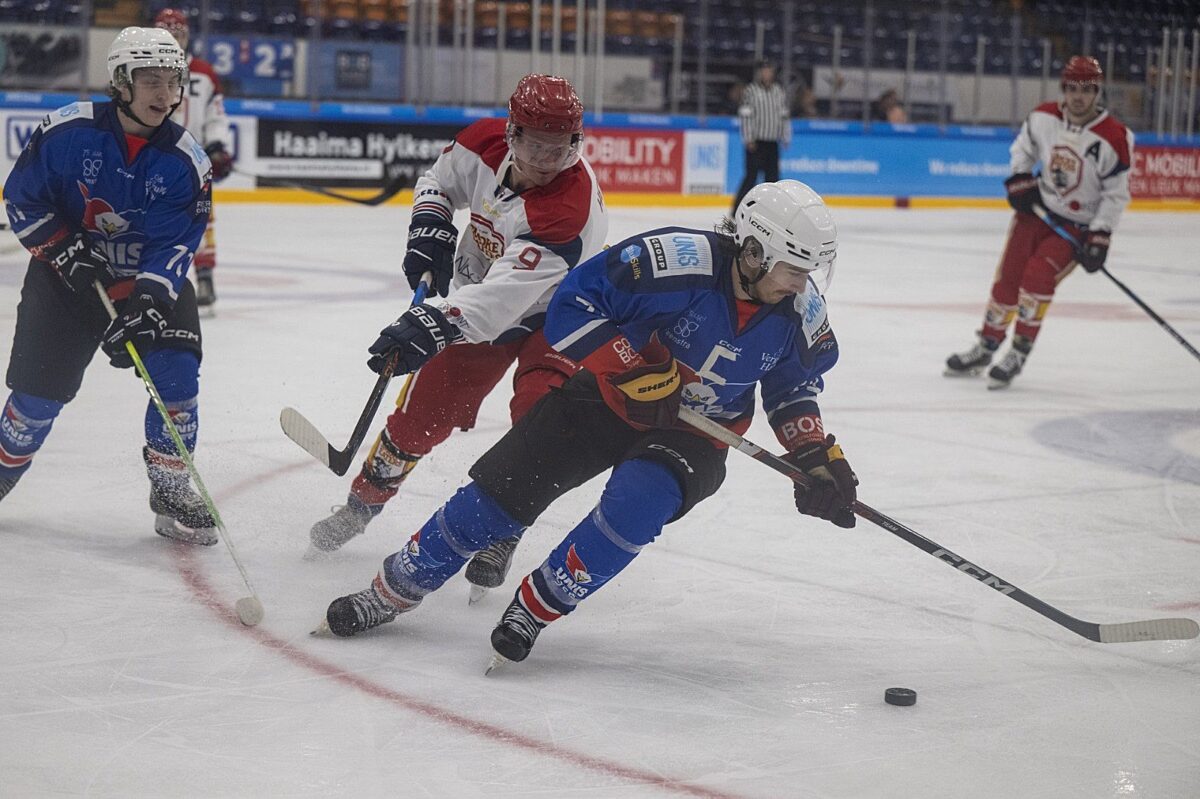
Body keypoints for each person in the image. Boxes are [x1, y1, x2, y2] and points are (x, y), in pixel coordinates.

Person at [317, 180, 859, 671]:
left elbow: (792, 388)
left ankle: (535, 608)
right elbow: (573, 303)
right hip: (605, 396)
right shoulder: (673, 260)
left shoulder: (801, 311)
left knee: (637, 506)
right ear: (755, 252)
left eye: (809, 271)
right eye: (794, 269)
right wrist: (629, 366)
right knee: (497, 497)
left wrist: (813, 453)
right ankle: (392, 590)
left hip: (695, 432)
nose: (801, 284)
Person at [306, 74, 609, 597]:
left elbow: (496, 304)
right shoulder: (481, 141)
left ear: (575, 144)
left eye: (559, 149)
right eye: (534, 145)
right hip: (483, 295)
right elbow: (439, 181)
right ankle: (360, 506)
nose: (545, 160)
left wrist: (431, 323)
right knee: (420, 418)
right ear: (512, 134)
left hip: (562, 317)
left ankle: (506, 526)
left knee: (538, 422)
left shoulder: (568, 211)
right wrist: (430, 227)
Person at [0, 27, 216, 544]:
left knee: (177, 380)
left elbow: (174, 245)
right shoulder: (67, 131)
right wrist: (61, 247)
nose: (165, 94)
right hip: (64, 280)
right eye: (150, 80)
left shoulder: (186, 161)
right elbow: (22, 197)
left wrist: (147, 302)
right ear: (120, 81)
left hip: (143, 281)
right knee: (36, 399)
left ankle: (170, 488)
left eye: (173, 81)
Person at [945, 55, 1133, 388]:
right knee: (1008, 279)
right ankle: (986, 345)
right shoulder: (1043, 117)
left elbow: (1115, 194)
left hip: (1074, 227)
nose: (1078, 96)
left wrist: (1100, 235)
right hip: (1036, 214)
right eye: (1072, 88)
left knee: (1036, 279)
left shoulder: (1115, 137)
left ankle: (1018, 351)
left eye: (1086, 89)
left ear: (1097, 91)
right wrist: (1020, 177)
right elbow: (1023, 150)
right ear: (1064, 88)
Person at [154, 8, 233, 313]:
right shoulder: (144, 68)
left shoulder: (203, 72)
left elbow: (216, 115)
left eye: (178, 34)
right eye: (167, 33)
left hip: (193, 164)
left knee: (201, 219)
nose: (174, 39)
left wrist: (217, 145)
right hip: (153, 161)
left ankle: (205, 279)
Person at [732, 60, 791, 213]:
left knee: (772, 179)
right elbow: (746, 116)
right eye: (764, 70)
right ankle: (737, 209)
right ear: (759, 73)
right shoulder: (751, 91)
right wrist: (748, 138)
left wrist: (785, 136)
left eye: (769, 70)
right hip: (756, 142)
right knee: (751, 177)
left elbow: (784, 115)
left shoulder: (779, 91)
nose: (766, 73)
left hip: (772, 142)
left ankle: (771, 211)